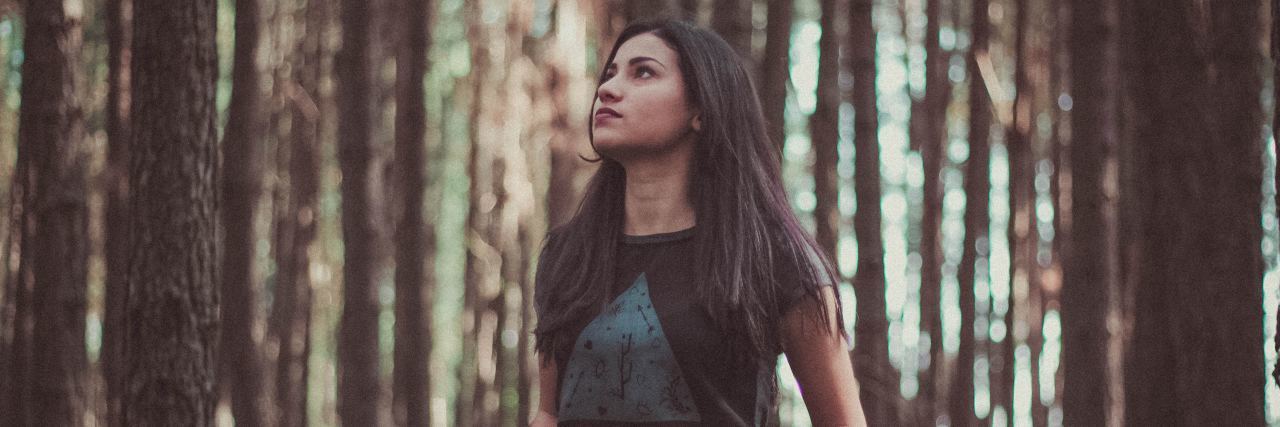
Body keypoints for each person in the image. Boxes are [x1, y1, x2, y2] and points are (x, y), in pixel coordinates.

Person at [530, 19, 868, 427]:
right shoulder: (569, 257)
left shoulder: (775, 261)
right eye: (610, 73)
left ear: (701, 110)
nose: (608, 88)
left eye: (643, 72)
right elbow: (548, 414)